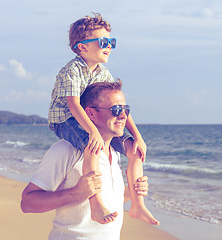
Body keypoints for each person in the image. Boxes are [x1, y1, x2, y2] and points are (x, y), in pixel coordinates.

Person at [47, 13, 158, 225]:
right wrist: (93, 132)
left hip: (92, 120)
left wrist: (138, 136)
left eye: (111, 42)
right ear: (82, 47)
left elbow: (120, 108)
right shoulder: (72, 70)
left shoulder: (103, 72)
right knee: (93, 146)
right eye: (103, 42)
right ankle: (96, 203)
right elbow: (74, 105)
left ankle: (138, 205)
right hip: (66, 119)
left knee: (134, 150)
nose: (109, 46)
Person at [21, 81, 156, 239]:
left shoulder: (115, 153)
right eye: (116, 109)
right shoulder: (66, 150)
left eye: (126, 109)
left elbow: (108, 201)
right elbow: (27, 203)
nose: (123, 115)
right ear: (90, 113)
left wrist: (133, 191)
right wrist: (76, 193)